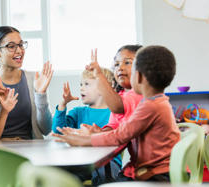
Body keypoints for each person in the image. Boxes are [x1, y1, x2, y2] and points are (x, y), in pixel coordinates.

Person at [53, 45, 180, 182]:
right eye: (116, 64)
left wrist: (85, 140)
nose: (119, 68)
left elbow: (122, 135)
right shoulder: (158, 102)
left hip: (157, 175)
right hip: (157, 171)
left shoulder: (150, 106)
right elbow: (121, 131)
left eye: (128, 64)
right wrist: (100, 133)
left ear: (138, 76)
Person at [0, 26, 53, 139]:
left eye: (20, 45)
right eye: (11, 46)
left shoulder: (34, 79)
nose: (19, 51)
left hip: (32, 148)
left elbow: (46, 129)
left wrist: (41, 94)